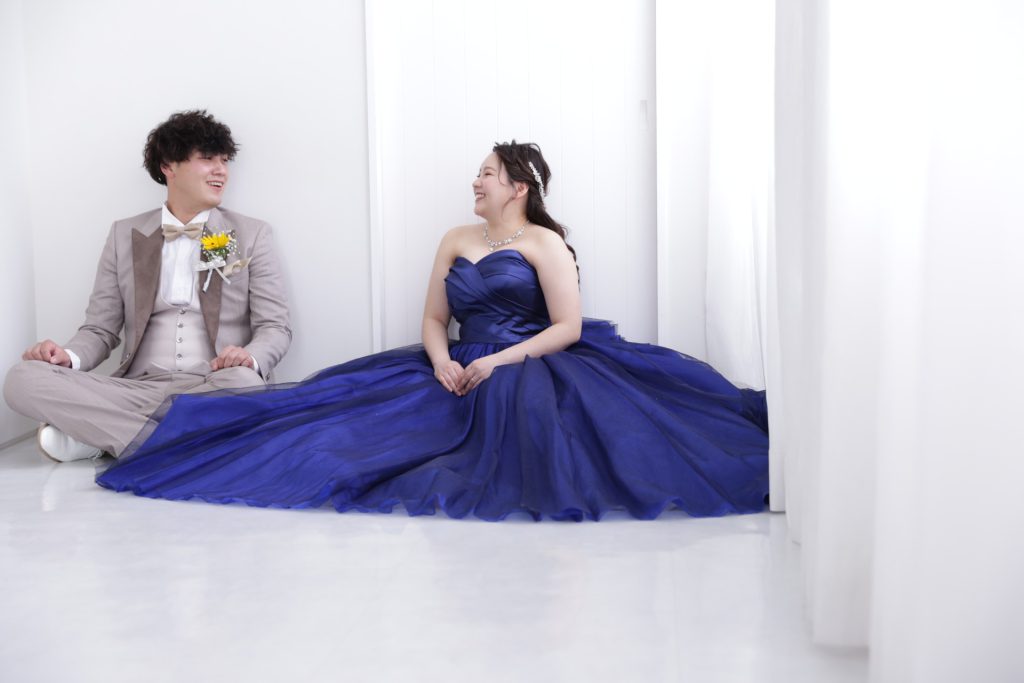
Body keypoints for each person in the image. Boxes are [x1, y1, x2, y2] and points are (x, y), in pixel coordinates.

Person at [97, 141, 767, 521]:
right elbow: (433, 317)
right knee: (334, 426)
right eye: (478, 173)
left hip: (528, 361)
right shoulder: (455, 237)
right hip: (452, 362)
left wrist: (499, 361)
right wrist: (442, 359)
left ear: (518, 188)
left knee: (549, 449)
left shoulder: (545, 244)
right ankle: (160, 429)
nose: (476, 181)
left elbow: (566, 327)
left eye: (487, 174)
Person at [3, 110, 291, 463]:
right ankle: (167, 442)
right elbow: (100, 329)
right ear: (169, 165)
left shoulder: (252, 233)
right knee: (23, 378)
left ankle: (101, 437)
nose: (221, 170)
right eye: (207, 158)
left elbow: (275, 327)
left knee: (246, 384)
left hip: (214, 384)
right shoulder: (124, 234)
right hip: (135, 388)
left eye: (224, 160)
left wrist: (250, 357)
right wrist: (68, 357)